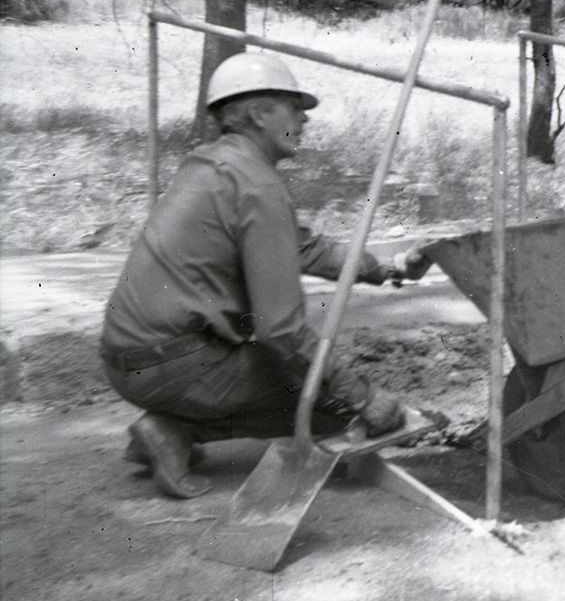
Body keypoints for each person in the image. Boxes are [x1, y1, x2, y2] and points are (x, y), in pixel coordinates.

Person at [101, 51, 412, 500]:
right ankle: (174, 429)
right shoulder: (258, 186)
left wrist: (385, 268)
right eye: (294, 106)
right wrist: (360, 395)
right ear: (259, 113)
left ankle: (170, 426)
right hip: (173, 364)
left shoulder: (213, 166)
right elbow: (281, 330)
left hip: (126, 358)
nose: (305, 119)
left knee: (304, 378)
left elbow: (304, 247)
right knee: (332, 406)